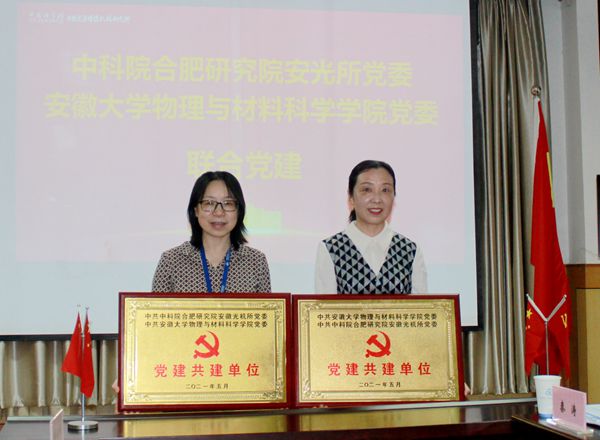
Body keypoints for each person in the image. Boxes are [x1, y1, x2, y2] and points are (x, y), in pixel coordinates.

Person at [315, 160, 427, 294]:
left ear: (393, 197)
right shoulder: (331, 249)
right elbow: (324, 307)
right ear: (351, 198)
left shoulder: (410, 250)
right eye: (367, 190)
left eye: (385, 190)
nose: (377, 199)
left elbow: (421, 305)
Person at [152, 171, 271, 293]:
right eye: (209, 203)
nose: (219, 212)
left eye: (228, 203)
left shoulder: (256, 262)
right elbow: (155, 306)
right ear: (196, 210)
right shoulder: (171, 261)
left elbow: (268, 306)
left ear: (239, 211)